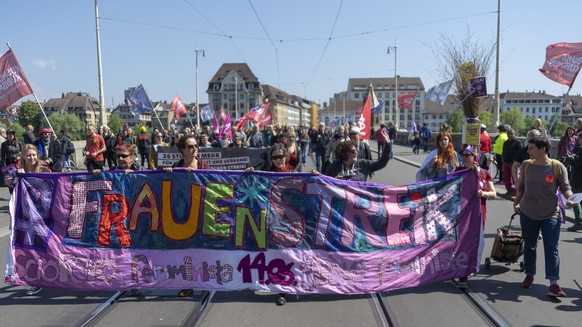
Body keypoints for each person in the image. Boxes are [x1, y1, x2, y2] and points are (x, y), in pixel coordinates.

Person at [513, 136, 574, 297]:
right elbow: (521, 187)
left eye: (532, 148)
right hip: (528, 212)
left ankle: (553, 283)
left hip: (550, 213)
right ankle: (529, 274)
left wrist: (571, 199)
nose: (528, 151)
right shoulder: (526, 165)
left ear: (543, 150)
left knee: (551, 248)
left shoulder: (557, 166)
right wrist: (516, 203)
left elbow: (565, 188)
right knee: (530, 246)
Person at [163, 135, 209, 298]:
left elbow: (211, 185)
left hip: (201, 213)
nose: (194, 148)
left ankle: (206, 280)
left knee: (202, 249)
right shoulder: (176, 165)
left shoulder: (203, 165)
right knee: (185, 251)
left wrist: (196, 176)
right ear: (183, 150)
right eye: (190, 146)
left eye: (196, 145)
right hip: (183, 215)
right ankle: (188, 283)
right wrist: (170, 174)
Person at [5, 144, 51, 296]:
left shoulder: (45, 171)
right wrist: (11, 182)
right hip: (25, 217)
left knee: (47, 247)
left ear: (37, 156)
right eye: (28, 155)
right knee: (30, 248)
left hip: (43, 217)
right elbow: (14, 194)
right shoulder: (18, 173)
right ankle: (36, 280)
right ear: (23, 157)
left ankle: (51, 275)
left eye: (34, 155)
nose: (32, 158)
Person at [454, 145, 496, 288]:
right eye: (463, 155)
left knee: (476, 242)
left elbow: (493, 193)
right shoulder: (458, 171)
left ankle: (471, 266)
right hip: (461, 213)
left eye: (468, 155)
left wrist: (483, 194)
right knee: (463, 242)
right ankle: (462, 272)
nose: (465, 157)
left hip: (478, 214)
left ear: (475, 157)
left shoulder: (484, 173)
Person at [323, 130, 391, 181]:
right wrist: (315, 175)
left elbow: (381, 163)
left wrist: (388, 145)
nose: (356, 153)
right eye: (353, 151)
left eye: (356, 150)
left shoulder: (363, 164)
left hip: (360, 199)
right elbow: (324, 185)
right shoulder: (333, 168)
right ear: (344, 153)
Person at [500, 128, 521, 199]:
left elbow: (520, 153)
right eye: (509, 134)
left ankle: (515, 192)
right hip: (506, 162)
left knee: (514, 178)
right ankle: (509, 191)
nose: (510, 135)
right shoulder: (505, 143)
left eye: (512, 134)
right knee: (506, 178)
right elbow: (503, 152)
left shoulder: (517, 143)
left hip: (513, 163)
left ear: (514, 134)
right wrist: (503, 162)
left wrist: (518, 163)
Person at [567, 134, 582, 231]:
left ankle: (579, 222)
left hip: (578, 177)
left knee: (575, 199)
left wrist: (570, 159)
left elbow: (578, 164)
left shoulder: (580, 149)